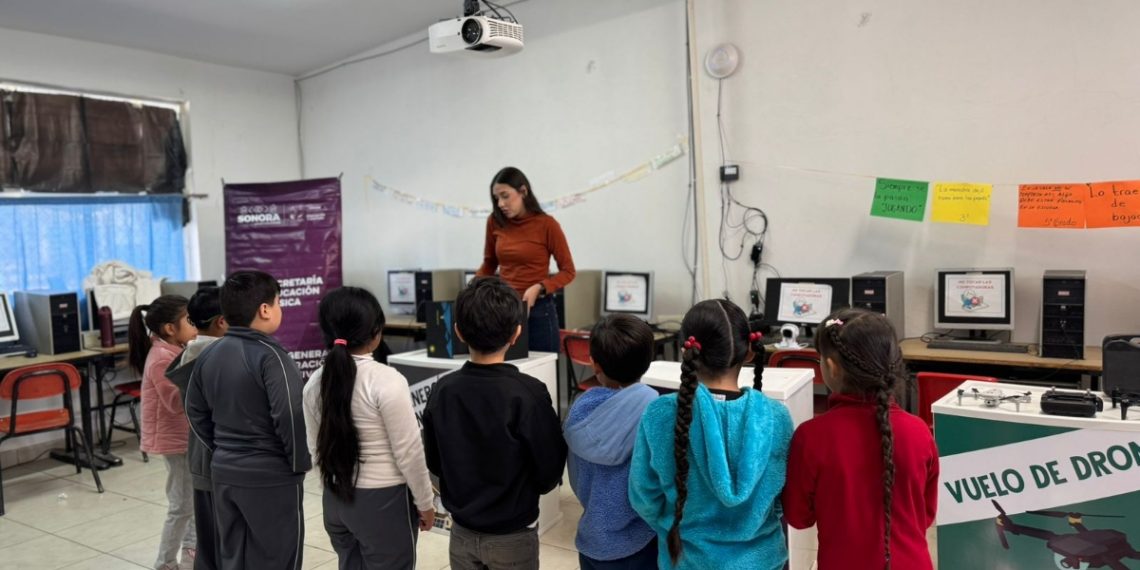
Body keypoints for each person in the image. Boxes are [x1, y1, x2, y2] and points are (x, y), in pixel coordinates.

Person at [629, 299, 792, 570]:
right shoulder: (777, 418)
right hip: (763, 560)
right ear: (749, 352)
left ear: (686, 351)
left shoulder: (659, 414)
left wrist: (671, 523)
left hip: (687, 560)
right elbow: (782, 499)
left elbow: (643, 496)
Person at [421, 277, 567, 570]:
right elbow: (549, 470)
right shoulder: (528, 393)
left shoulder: (442, 391)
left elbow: (434, 462)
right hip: (513, 533)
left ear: (459, 332)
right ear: (516, 333)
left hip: (460, 531)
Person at [782, 308, 938, 570]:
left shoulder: (811, 437)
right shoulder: (920, 432)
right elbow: (925, 515)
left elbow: (799, 518)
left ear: (830, 367)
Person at [302, 287, 435, 569]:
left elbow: (315, 449)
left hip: (336, 499)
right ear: (376, 333)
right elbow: (409, 452)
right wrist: (425, 502)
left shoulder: (315, 381)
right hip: (383, 502)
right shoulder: (387, 380)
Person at [185, 270, 311, 570]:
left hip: (224, 473)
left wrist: (225, 449)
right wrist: (298, 464)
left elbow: (194, 411)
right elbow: (290, 417)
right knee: (277, 559)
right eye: (279, 303)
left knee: (234, 557)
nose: (280, 309)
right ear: (265, 310)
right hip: (271, 476)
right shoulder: (273, 356)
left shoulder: (209, 355)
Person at [563, 314, 659, 570]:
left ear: (594, 364)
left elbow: (574, 475)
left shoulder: (579, 410)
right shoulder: (652, 412)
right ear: (649, 361)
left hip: (591, 541)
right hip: (641, 544)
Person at [128, 294, 199, 570]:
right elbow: (174, 402)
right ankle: (165, 563)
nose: (195, 327)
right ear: (170, 328)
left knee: (192, 500)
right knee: (181, 505)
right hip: (174, 441)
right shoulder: (161, 358)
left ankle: (191, 552)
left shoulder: (176, 350)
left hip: (185, 437)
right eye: (190, 321)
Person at [475, 166, 575, 352]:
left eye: (505, 196)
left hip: (539, 311)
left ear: (523, 191)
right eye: (496, 198)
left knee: (543, 373)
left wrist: (540, 287)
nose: (500, 204)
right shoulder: (494, 222)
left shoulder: (547, 225)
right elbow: (489, 263)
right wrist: (472, 289)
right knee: (509, 374)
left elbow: (568, 271)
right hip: (505, 310)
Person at [166, 286, 228, 570]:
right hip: (224, 457)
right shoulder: (221, 357)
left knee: (207, 531)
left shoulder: (189, 352)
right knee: (224, 531)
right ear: (222, 321)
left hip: (200, 457)